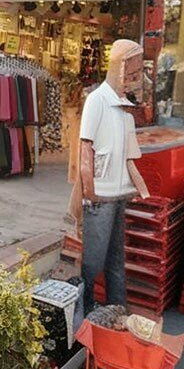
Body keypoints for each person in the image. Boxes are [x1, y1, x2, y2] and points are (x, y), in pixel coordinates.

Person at [72, 39, 149, 312]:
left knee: (115, 258)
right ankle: (85, 311)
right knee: (93, 260)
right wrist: (89, 190)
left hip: (118, 194)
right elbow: (85, 147)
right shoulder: (97, 100)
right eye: (130, 73)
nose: (133, 79)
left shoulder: (123, 104)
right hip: (101, 195)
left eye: (136, 74)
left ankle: (117, 310)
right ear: (118, 67)